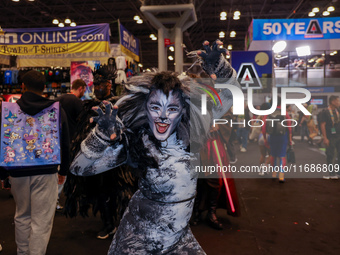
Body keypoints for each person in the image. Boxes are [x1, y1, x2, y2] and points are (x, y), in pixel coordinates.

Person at [70, 40, 239, 254]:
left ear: (182, 110)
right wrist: (101, 137)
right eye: (155, 106)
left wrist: (220, 66)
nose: (162, 116)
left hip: (178, 237)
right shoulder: (136, 142)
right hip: (139, 241)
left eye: (172, 108)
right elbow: (79, 168)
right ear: (145, 108)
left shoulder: (190, 132)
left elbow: (230, 96)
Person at [63, 65, 137, 240]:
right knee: (101, 192)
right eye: (96, 85)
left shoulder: (119, 105)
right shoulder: (90, 106)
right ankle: (108, 223)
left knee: (120, 192)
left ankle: (121, 224)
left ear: (109, 85)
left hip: (117, 159)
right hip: (96, 158)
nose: (98, 88)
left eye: (101, 85)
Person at [3, 70, 70, 255]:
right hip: (46, 169)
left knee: (22, 215)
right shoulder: (56, 110)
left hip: (17, 170)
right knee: (41, 220)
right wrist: (63, 170)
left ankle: (23, 253)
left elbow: (3, 141)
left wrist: (3, 174)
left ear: (23, 86)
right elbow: (65, 144)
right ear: (44, 88)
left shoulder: (9, 110)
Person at [55, 79, 86, 210]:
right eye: (84, 90)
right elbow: (84, 121)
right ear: (80, 88)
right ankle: (62, 200)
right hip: (72, 141)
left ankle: (54, 200)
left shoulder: (59, 99)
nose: (84, 92)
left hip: (56, 140)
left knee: (58, 172)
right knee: (68, 172)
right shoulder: (77, 102)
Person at [263, 98, 292, 183]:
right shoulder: (284, 112)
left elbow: (264, 127)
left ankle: (273, 174)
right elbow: (289, 127)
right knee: (282, 155)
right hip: (283, 136)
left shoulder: (268, 113)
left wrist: (265, 138)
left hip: (272, 136)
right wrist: (290, 139)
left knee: (273, 155)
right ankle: (281, 175)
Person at [320, 95, 340, 180]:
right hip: (330, 136)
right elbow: (322, 125)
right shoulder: (324, 112)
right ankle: (332, 173)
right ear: (332, 102)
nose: (339, 103)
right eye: (338, 101)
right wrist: (325, 138)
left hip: (338, 135)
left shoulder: (338, 110)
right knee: (330, 155)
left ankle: (338, 173)